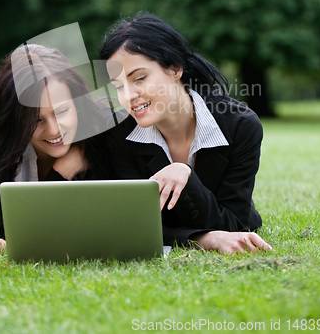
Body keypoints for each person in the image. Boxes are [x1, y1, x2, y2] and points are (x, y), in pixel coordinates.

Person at [100, 14, 272, 255]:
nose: (128, 96)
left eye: (139, 78)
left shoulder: (240, 126)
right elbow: (134, 225)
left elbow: (234, 224)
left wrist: (185, 175)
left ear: (175, 68)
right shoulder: (120, 134)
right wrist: (205, 240)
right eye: (118, 86)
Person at [0, 44, 112, 257]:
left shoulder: (101, 125)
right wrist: (61, 173)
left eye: (62, 111)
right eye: (35, 120)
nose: (54, 130)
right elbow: (9, 232)